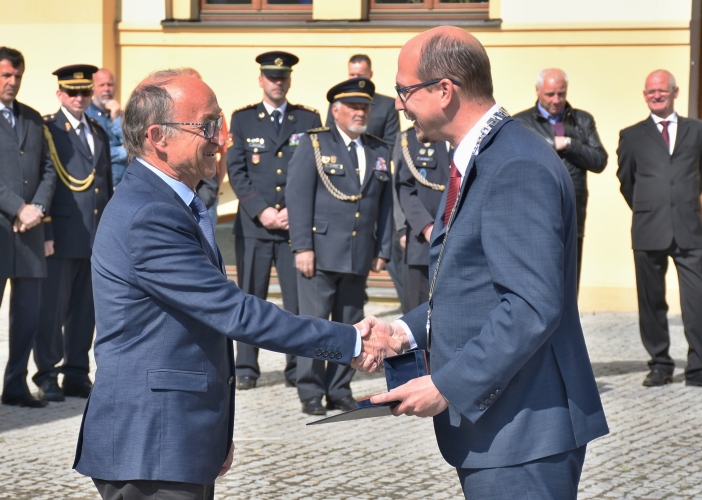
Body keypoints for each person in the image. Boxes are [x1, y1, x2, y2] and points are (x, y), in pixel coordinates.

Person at [72, 70, 398, 499]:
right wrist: (350, 344)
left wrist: (212, 431)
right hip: (150, 443)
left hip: (175, 436)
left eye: (220, 123)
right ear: (158, 137)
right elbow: (235, 312)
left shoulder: (168, 201)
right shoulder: (150, 214)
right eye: (207, 126)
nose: (222, 138)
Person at [366, 27, 608, 498]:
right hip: (505, 430)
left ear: (444, 91)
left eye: (404, 91)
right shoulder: (484, 155)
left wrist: (449, 385)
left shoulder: (514, 163)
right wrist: (405, 331)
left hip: (524, 431)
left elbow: (530, 306)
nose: (397, 104)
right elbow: (473, 283)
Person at [286, 77, 393, 415]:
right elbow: (298, 196)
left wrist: (383, 248)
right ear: (336, 110)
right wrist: (302, 246)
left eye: (365, 107)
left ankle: (339, 387)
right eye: (354, 106)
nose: (361, 113)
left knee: (351, 327)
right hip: (319, 252)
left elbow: (386, 204)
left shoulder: (377, 149)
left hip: (358, 252)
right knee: (317, 325)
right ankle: (311, 390)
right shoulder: (315, 145)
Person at [228, 51, 321, 390]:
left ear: (289, 80)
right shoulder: (243, 120)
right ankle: (246, 367)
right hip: (254, 226)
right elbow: (236, 171)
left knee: (296, 302)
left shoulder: (308, 119)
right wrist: (261, 210)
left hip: (293, 229)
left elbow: (313, 170)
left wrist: (291, 213)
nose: (277, 82)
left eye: (282, 78)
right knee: (250, 298)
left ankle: (297, 368)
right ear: (261, 80)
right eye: (271, 77)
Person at [617, 69, 702, 388]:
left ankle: (698, 367)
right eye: (650, 91)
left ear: (675, 92)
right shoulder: (632, 135)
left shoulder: (697, 131)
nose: (656, 95)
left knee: (697, 300)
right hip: (648, 227)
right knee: (651, 301)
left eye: (661, 91)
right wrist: (646, 206)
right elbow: (626, 180)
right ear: (644, 95)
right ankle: (660, 364)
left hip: (690, 227)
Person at [32, 65, 112, 402]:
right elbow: (41, 180)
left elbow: (104, 187)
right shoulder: (48, 129)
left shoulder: (98, 130)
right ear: (60, 94)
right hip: (61, 234)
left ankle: (76, 372)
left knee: (85, 309)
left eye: (85, 92)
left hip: (94, 236)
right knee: (52, 310)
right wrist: (45, 228)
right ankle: (47, 373)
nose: (79, 98)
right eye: (72, 92)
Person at [514, 68, 607, 291]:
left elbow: (599, 160)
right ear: (537, 91)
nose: (556, 100)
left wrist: (570, 143)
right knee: (538, 281)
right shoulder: (521, 122)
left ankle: (568, 326)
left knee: (569, 281)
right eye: (550, 94)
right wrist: (549, 145)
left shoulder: (582, 120)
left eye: (561, 94)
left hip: (573, 212)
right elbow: (517, 163)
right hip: (535, 212)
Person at [325, 54, 405, 309]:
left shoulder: (385, 104)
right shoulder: (338, 104)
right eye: (352, 75)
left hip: (375, 183)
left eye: (360, 74)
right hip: (342, 188)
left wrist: (367, 163)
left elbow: (391, 144)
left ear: (370, 74)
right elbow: (330, 142)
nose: (356, 78)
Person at [0, 47, 56, 408]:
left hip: (30, 233)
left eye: (17, 76)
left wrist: (36, 207)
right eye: (5, 75)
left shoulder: (34, 119)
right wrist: (17, 207)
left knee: (28, 315)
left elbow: (50, 170)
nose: (12, 82)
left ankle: (16, 385)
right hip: (2, 229)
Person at [393, 127, 450, 310]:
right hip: (423, 242)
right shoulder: (411, 138)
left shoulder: (477, 135)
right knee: (419, 314)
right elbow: (404, 188)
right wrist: (426, 227)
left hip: (466, 240)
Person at [85, 68, 128, 188]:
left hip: (122, 187)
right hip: (100, 187)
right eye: (101, 85)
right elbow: (93, 153)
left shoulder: (121, 115)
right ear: (92, 88)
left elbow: (134, 147)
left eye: (110, 85)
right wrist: (122, 151)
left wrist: (116, 119)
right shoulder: (86, 116)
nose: (106, 89)